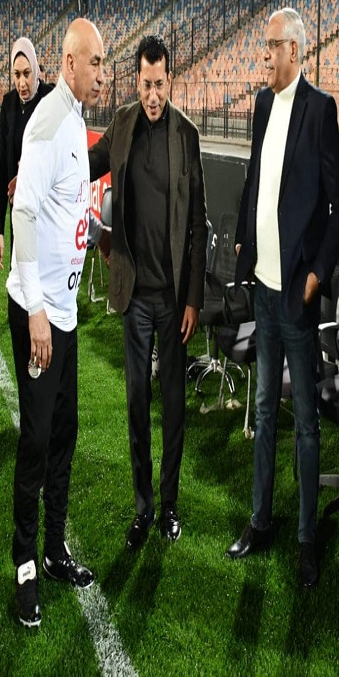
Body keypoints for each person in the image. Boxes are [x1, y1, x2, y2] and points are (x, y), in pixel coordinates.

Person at [225, 7, 339, 588]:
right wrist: (244, 237)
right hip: (263, 290)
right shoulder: (261, 105)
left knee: (304, 421)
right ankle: (260, 521)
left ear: (296, 51)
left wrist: (317, 274)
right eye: (265, 46)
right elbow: (256, 177)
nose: (265, 55)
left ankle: (305, 537)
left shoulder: (320, 110)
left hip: (297, 295)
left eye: (273, 46)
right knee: (262, 410)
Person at [88, 34, 207, 551]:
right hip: (135, 296)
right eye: (145, 84)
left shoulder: (187, 135)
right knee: (137, 402)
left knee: (173, 406)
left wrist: (194, 299)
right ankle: (143, 507)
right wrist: (42, 163)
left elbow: (198, 224)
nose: (153, 95)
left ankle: (171, 504)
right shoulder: (122, 124)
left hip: (174, 299)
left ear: (169, 80)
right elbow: (86, 163)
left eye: (159, 85)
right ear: (135, 81)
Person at [7, 17, 105, 628]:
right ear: (69, 63)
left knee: (65, 430)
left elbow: (65, 208)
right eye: (95, 62)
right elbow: (22, 213)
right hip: (39, 314)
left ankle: (53, 547)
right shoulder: (48, 120)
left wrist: (92, 233)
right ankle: (24, 564)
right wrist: (38, 310)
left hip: (64, 316)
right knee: (38, 439)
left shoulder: (72, 119)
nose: (102, 73)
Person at [0, 37, 55, 269]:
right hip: (19, 216)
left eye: (27, 74)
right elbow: (1, 170)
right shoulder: (8, 103)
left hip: (47, 217)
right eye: (16, 75)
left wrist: (29, 177)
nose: (22, 82)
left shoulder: (51, 99)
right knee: (18, 284)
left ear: (36, 70)